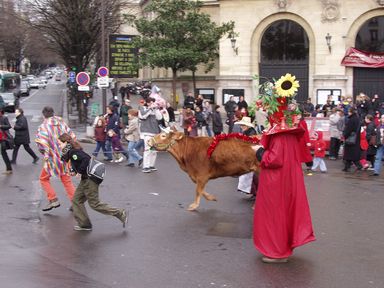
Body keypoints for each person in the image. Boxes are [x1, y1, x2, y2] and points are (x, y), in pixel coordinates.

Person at [253, 74, 315, 263]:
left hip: (276, 182)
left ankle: (277, 251)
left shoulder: (280, 135)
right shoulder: (287, 132)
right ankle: (281, 247)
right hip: (285, 179)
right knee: (283, 212)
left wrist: (259, 151)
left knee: (275, 214)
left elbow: (274, 159)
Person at [58, 133, 128, 231]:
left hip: (90, 180)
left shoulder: (73, 152)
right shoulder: (71, 151)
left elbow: (86, 160)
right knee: (76, 200)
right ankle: (84, 224)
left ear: (66, 143)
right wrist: (76, 171)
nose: (59, 146)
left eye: (60, 143)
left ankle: (120, 213)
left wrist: (79, 171)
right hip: (86, 180)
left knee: (95, 204)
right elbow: (80, 161)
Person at [35, 106, 76, 211]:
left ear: (44, 114)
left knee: (43, 178)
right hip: (64, 156)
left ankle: (53, 199)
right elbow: (72, 137)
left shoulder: (43, 126)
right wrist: (66, 150)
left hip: (52, 158)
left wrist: (46, 154)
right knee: (66, 179)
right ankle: (76, 203)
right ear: (53, 113)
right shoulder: (62, 123)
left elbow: (41, 144)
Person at [139, 97, 162, 173]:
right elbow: (143, 116)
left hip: (155, 132)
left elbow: (159, 118)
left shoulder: (155, 109)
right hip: (147, 132)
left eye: (153, 102)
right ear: (148, 102)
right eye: (151, 102)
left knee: (154, 150)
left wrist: (156, 110)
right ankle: (145, 166)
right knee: (148, 149)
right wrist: (150, 109)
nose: (152, 103)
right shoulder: (142, 108)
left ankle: (151, 165)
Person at [236, 117, 257, 194]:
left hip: (251, 155)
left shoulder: (251, 133)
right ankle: (253, 192)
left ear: (247, 126)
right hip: (247, 154)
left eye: (243, 125)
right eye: (241, 125)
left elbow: (251, 144)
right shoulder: (246, 132)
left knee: (251, 176)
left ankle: (255, 192)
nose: (241, 127)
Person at [342, 107, 363, 172]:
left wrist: (345, 135)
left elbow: (348, 129)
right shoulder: (357, 119)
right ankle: (348, 167)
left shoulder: (351, 120)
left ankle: (351, 166)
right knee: (353, 154)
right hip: (356, 139)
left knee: (349, 154)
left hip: (350, 139)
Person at [0, 109, 13, 174]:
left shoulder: (4, 118)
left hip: (2, 139)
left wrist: (1, 126)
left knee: (3, 154)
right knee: (3, 154)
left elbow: (9, 126)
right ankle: (9, 169)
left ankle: (9, 169)